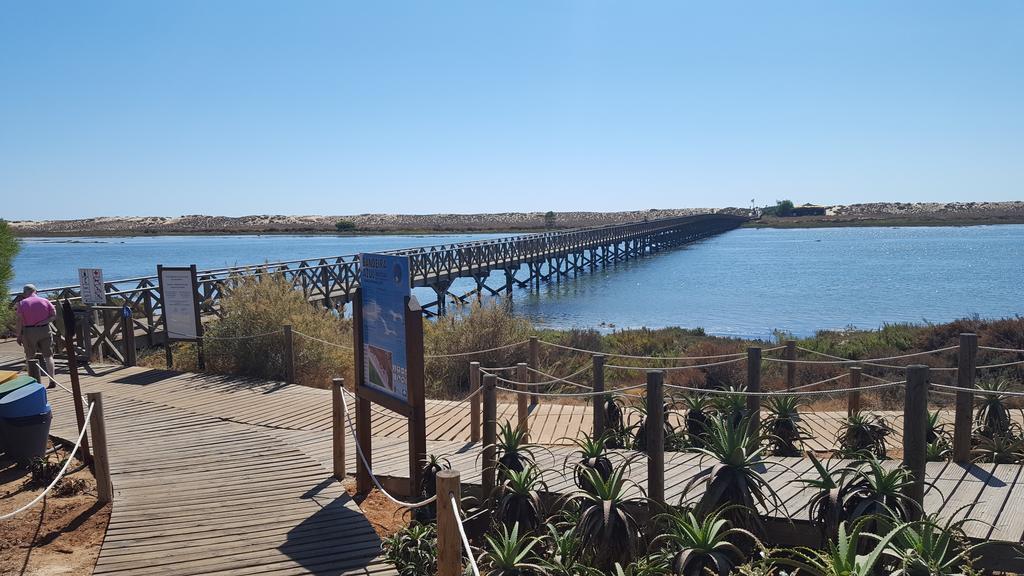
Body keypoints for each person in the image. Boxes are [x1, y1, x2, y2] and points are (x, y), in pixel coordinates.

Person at [14, 284, 57, 389]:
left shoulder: (22, 303)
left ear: (25, 293)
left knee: (30, 356)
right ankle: (52, 379)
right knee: (48, 356)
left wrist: (18, 335)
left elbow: (19, 320)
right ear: (35, 291)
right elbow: (54, 315)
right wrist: (44, 321)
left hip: (29, 330)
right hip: (45, 329)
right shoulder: (45, 301)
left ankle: (33, 382)